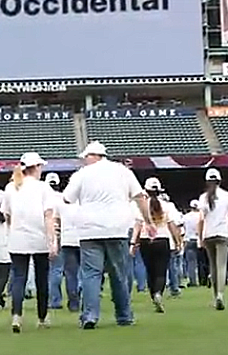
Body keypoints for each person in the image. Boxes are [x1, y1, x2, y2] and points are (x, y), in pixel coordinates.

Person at [63, 141, 151, 329]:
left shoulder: (82, 174)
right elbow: (140, 196)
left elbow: (67, 198)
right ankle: (124, 315)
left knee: (91, 274)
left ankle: (89, 315)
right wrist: (148, 222)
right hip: (117, 228)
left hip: (89, 230)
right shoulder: (122, 171)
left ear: (91, 156)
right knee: (119, 274)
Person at [2, 153, 58, 333]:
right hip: (39, 237)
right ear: (36, 167)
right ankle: (42, 317)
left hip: (18, 238)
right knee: (42, 279)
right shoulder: (43, 188)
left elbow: (7, 215)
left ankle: (16, 316)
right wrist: (53, 240)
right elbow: (48, 216)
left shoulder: (11, 187)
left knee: (19, 278)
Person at [129, 177, 182, 313]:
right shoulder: (167, 206)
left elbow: (138, 225)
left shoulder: (142, 205)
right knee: (161, 271)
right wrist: (178, 242)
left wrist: (133, 243)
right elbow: (172, 225)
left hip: (146, 240)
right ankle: (158, 293)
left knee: (150, 270)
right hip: (162, 240)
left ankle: (153, 295)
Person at [197, 168, 228, 310]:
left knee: (213, 266)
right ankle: (220, 294)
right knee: (221, 266)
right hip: (223, 233)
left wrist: (200, 236)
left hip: (209, 234)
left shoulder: (203, 197)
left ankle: (215, 296)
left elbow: (201, 219)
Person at [45, 172, 65, 310]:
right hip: (62, 233)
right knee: (60, 269)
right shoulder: (62, 198)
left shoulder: (43, 197)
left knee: (50, 270)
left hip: (45, 233)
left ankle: (53, 299)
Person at [183, 200, 201, 287]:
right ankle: (203, 279)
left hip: (189, 239)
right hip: (199, 239)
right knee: (202, 262)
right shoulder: (201, 216)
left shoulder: (186, 216)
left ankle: (192, 281)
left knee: (191, 263)